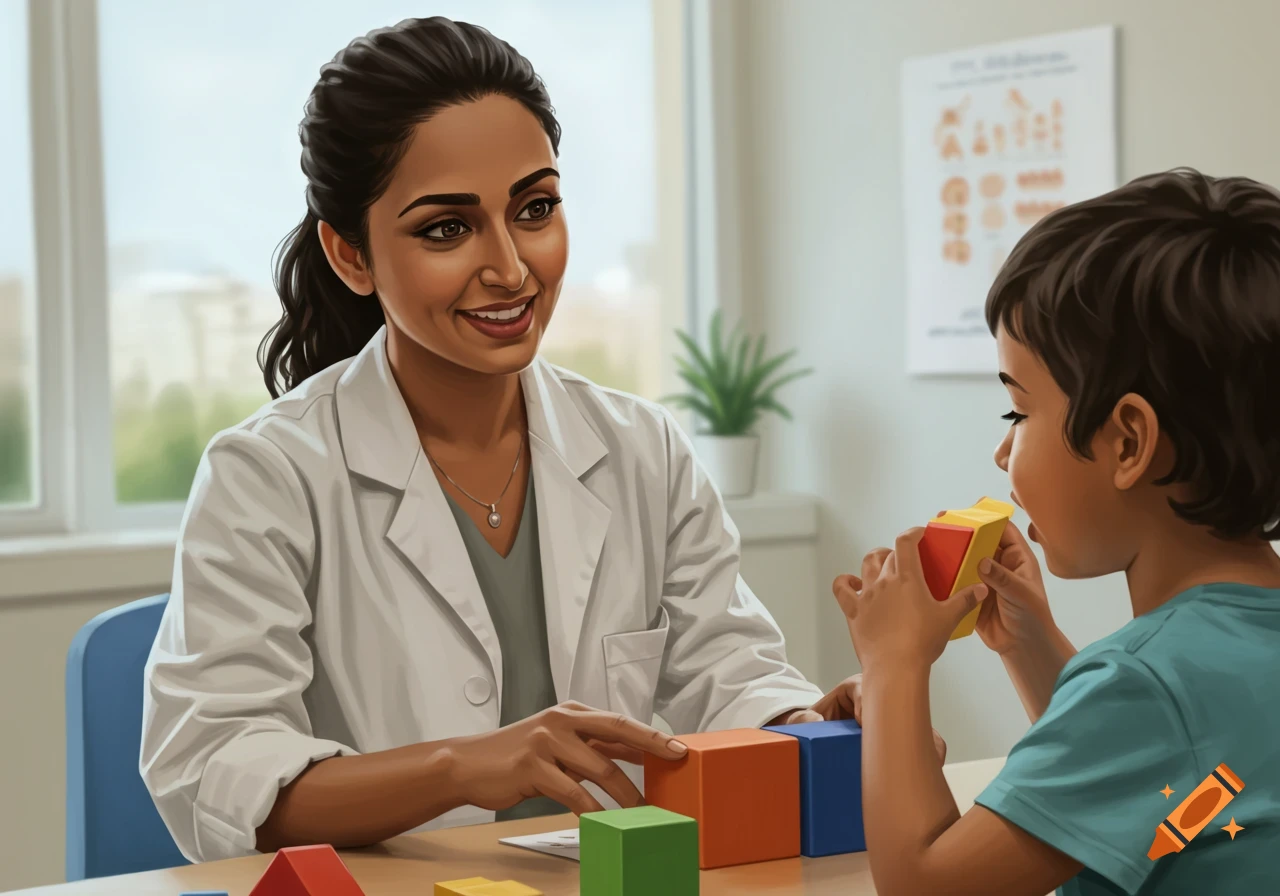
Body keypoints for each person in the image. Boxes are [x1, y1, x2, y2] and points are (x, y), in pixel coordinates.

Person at [138, 16, 883, 864]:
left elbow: (727, 672)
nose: (511, 268)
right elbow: (215, 773)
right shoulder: (267, 474)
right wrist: (461, 767)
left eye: (535, 209)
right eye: (446, 229)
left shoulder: (642, 449)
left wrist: (808, 726)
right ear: (351, 254)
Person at [832, 168, 1280, 895]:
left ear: (1129, 442)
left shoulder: (1145, 684)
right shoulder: (1226, 658)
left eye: (1020, 413)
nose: (1004, 453)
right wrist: (1030, 644)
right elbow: (1159, 783)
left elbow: (924, 885)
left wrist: (892, 664)